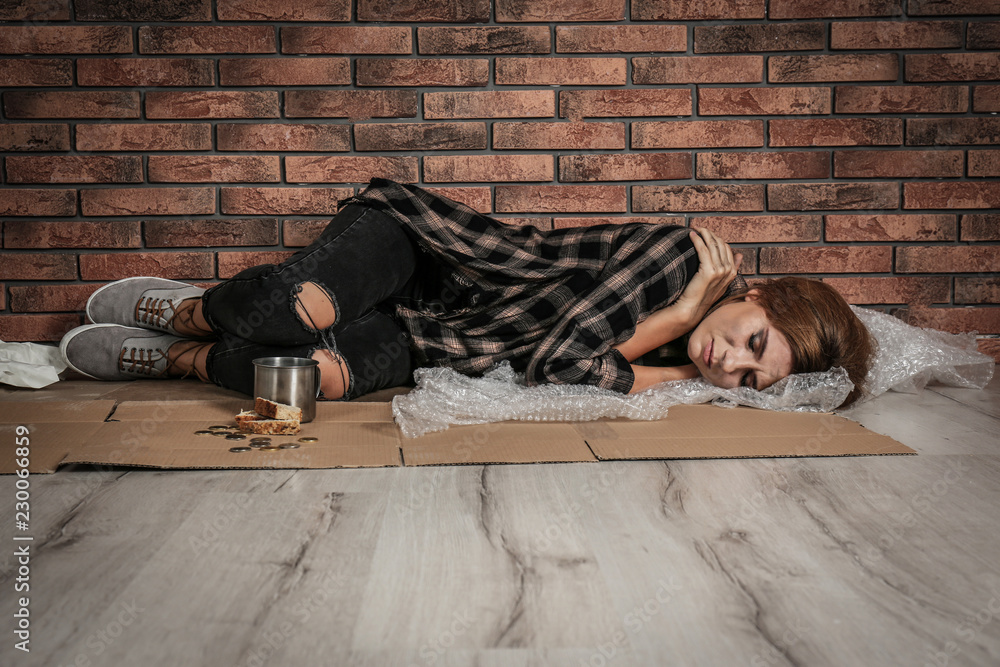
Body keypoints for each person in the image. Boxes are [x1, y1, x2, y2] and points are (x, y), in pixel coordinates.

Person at [60, 178, 874, 408]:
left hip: (437, 341)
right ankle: (186, 309)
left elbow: (551, 365)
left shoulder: (688, 358)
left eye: (746, 379)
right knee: (296, 310)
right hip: (425, 256)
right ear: (758, 292)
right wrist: (676, 318)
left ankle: (182, 362)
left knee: (313, 384)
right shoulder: (676, 261)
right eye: (751, 340)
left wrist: (679, 360)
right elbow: (557, 361)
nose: (725, 359)